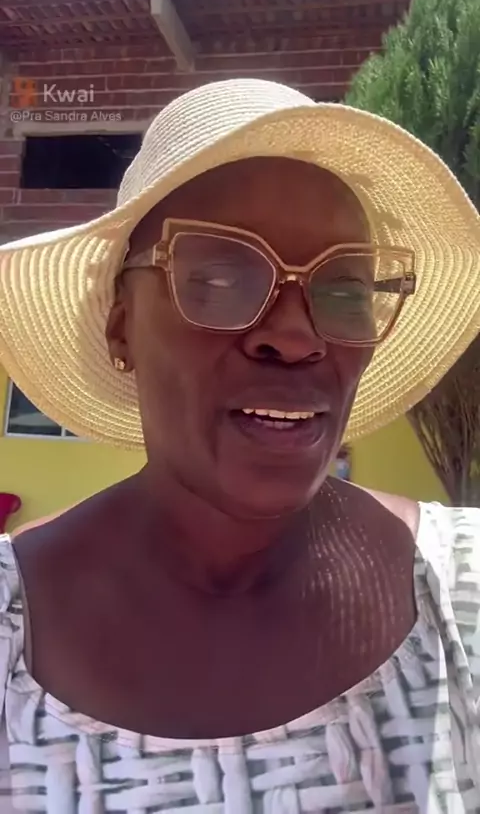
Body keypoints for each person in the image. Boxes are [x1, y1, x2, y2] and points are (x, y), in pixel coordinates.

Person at [0, 78, 479, 813]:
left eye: (344, 289)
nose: (296, 335)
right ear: (121, 326)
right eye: (221, 276)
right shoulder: (14, 625)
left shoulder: (463, 600)